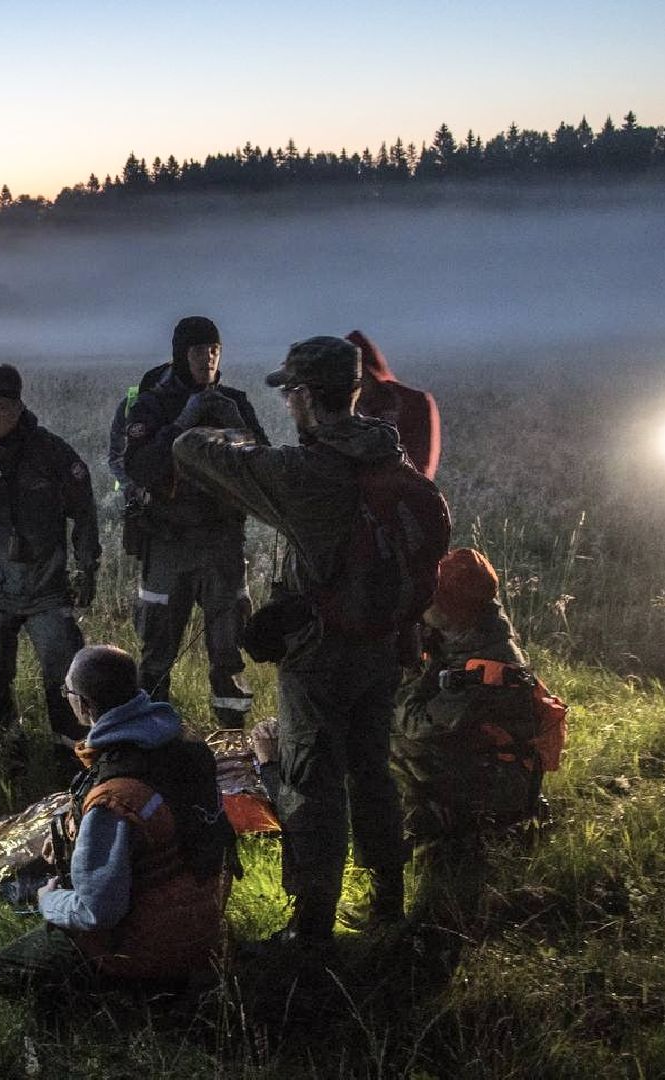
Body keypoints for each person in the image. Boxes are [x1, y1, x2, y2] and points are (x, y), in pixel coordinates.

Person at [172, 336, 446, 946]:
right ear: (354, 393)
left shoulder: (306, 476)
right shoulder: (389, 461)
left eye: (291, 392)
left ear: (303, 397)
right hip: (385, 647)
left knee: (310, 783)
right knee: (372, 772)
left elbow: (191, 449)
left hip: (322, 656)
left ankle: (313, 927)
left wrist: (231, 435)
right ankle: (387, 903)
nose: (288, 403)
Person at [0, 645, 236, 1015]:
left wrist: (48, 902)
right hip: (204, 929)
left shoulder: (116, 797)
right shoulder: (183, 748)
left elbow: (97, 911)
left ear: (85, 706)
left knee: (9, 967)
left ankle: (125, 1004)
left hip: (151, 954)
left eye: (67, 693)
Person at [0, 364, 100, 767]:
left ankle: (71, 757)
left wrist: (86, 568)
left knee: (64, 677)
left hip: (46, 589)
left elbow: (85, 511)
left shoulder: (51, 453)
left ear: (19, 406)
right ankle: (8, 756)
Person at [121, 316, 268, 725]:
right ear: (181, 354)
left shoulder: (233, 401)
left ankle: (233, 739)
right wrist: (181, 424)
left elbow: (264, 465)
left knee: (228, 651)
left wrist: (235, 423)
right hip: (168, 542)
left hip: (222, 541)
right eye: (200, 350)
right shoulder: (152, 405)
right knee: (156, 653)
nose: (209, 358)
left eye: (215, 350)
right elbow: (141, 467)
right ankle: (153, 739)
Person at [392, 548, 557, 844]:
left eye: (431, 599)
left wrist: (412, 672)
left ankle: (441, 822)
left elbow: (416, 724)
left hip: (496, 791)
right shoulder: (475, 635)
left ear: (453, 609)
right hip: (498, 773)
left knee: (385, 738)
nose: (423, 606)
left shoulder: (486, 668)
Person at [347, 330, 441, 479]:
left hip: (406, 494)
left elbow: (421, 467)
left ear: (369, 371)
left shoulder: (415, 403)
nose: (352, 383)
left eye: (357, 375)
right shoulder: (342, 409)